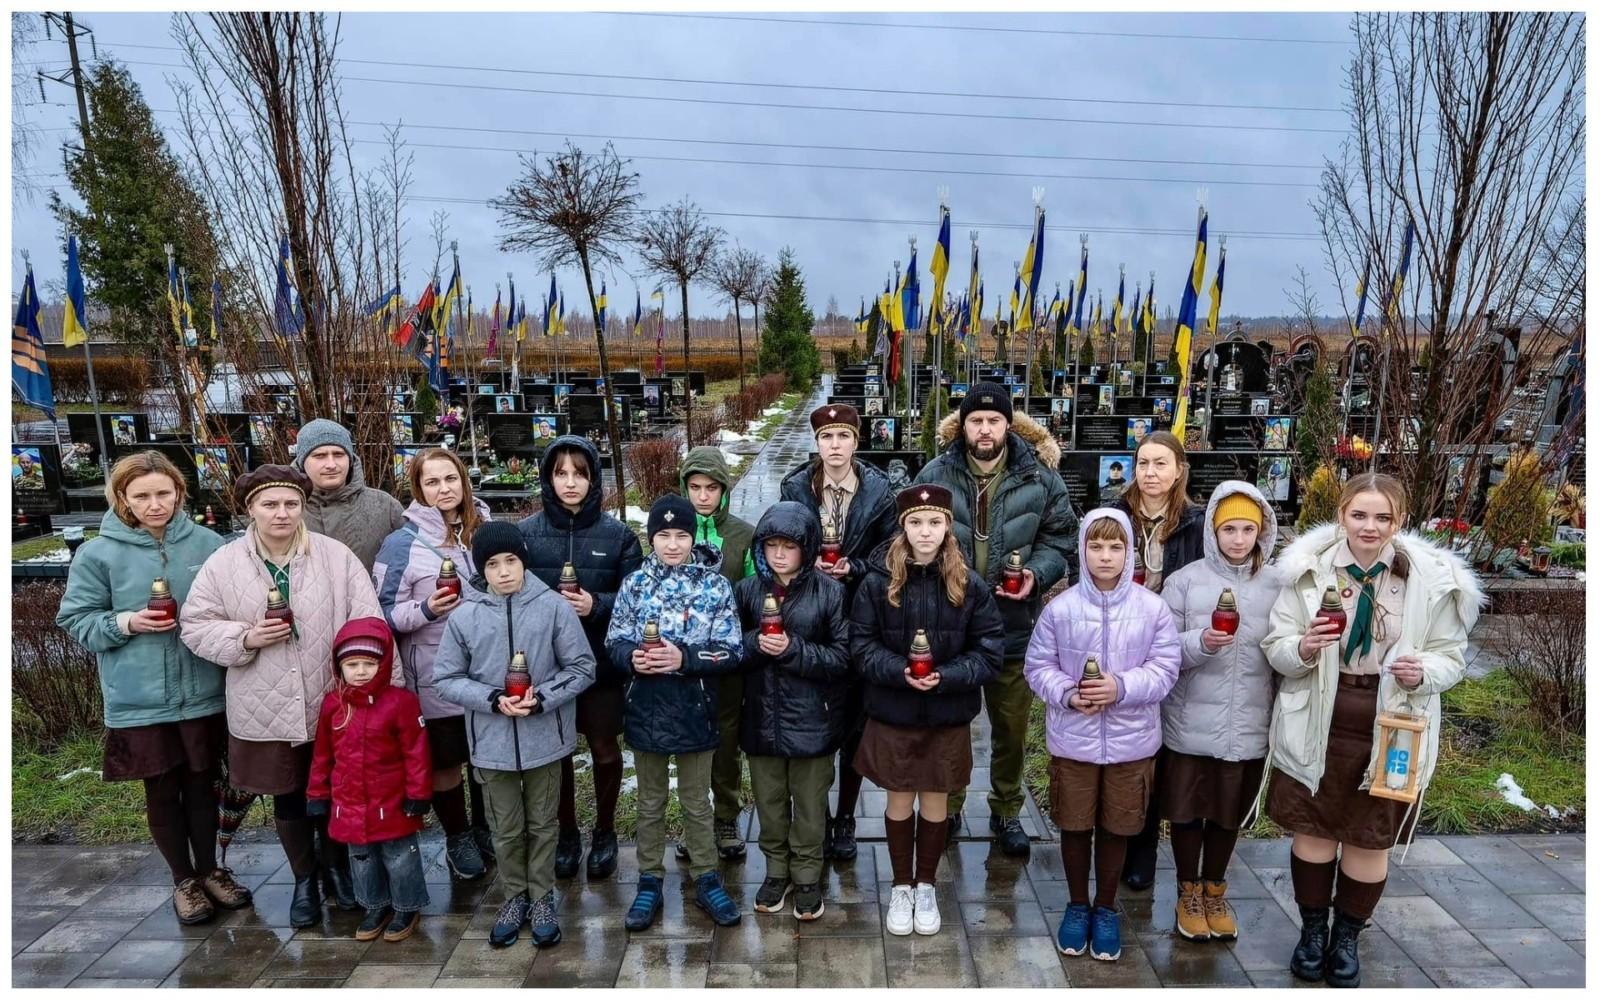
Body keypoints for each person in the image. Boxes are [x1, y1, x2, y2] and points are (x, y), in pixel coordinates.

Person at [1264, 473, 1481, 988]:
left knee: (1368, 839)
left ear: (1399, 521)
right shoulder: (1307, 571)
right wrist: (1305, 648)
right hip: (1320, 716)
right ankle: (1313, 933)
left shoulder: (1431, 578)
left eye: (1382, 517)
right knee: (1314, 834)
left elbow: (1452, 656)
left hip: (1392, 723)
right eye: (1359, 515)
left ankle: (1347, 938)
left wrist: (1423, 671)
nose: (1370, 526)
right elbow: (1276, 644)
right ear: (1341, 514)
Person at [180, 465, 386, 928]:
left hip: (332, 700)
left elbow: (367, 617)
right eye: (270, 504)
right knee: (289, 794)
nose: (282, 513)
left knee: (336, 788)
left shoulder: (335, 556)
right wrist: (246, 637)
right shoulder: (225, 563)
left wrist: (357, 671)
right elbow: (195, 625)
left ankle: (337, 870)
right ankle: (304, 879)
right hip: (264, 701)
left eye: (291, 503)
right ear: (250, 508)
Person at [56, 451, 251, 925]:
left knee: (204, 785)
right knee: (163, 789)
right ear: (122, 497)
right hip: (140, 697)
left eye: (164, 493)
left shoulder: (207, 544)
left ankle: (211, 870)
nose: (154, 504)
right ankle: (183, 879)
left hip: (203, 688)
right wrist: (127, 622)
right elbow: (75, 618)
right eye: (141, 496)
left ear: (180, 494)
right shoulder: (99, 553)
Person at [914, 381, 1079, 857]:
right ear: (962, 425)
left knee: (1010, 727)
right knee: (951, 727)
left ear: (1008, 424)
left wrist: (1037, 572)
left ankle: (1007, 808)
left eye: (993, 420)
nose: (984, 430)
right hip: (952, 628)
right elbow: (913, 535)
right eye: (975, 421)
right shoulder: (937, 472)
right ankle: (950, 807)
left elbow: (1060, 537)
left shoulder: (1039, 477)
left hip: (1013, 623)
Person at [1024, 508, 1180, 963]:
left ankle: (1106, 907)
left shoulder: (1152, 609)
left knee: (1118, 825)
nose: (1106, 557)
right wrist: (1069, 696)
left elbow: (1165, 668)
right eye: (1096, 546)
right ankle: (1077, 904)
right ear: (1082, 550)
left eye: (1116, 547)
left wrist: (1122, 687)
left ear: (1130, 551)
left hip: (1132, 742)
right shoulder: (1061, 609)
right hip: (1075, 739)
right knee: (1075, 823)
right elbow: (1039, 666)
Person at [433, 522, 596, 949]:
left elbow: (581, 667)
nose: (504, 572)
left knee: (543, 824)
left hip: (545, 737)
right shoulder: (465, 615)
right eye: (492, 563)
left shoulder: (553, 608)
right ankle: (514, 896)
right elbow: (447, 677)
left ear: (523, 560)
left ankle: (541, 897)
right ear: (480, 568)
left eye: (511, 561)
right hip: (492, 742)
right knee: (505, 827)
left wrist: (541, 697)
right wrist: (491, 698)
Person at [852, 484, 1004, 936]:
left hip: (945, 712)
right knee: (899, 798)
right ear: (903, 527)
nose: (925, 532)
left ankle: (925, 883)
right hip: (895, 709)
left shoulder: (967, 584)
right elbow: (860, 645)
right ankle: (901, 883)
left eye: (935, 522)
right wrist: (899, 670)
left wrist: (949, 675)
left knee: (936, 799)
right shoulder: (878, 582)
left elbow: (990, 648)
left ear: (948, 527)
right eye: (916, 523)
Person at [605, 495, 744, 932]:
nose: (672, 544)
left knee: (696, 802)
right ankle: (649, 878)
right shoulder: (635, 585)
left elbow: (732, 649)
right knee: (649, 802)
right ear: (651, 538)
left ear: (693, 537)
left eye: (681, 535)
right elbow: (615, 641)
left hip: (695, 707)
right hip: (646, 707)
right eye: (663, 535)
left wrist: (684, 657)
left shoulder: (714, 586)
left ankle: (706, 875)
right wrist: (632, 658)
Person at [516, 436, 643, 881]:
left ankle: (604, 830)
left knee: (605, 748)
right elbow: (509, 591)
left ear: (593, 479)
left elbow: (634, 598)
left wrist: (597, 606)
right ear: (548, 479)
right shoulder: (527, 535)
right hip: (549, 667)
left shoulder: (619, 537)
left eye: (580, 473)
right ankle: (566, 832)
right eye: (560, 473)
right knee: (560, 753)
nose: (570, 482)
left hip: (600, 663)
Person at [1157, 481, 1279, 943]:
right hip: (1192, 721)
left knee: (1228, 813)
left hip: (1248, 721)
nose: (1239, 539)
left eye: (1249, 529)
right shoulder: (1185, 582)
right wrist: (1199, 643)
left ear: (1261, 532)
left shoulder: (1276, 585)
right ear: (1213, 529)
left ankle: (1215, 891)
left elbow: (1283, 648)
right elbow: (1164, 648)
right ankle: (1188, 891)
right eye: (1229, 528)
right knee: (1189, 812)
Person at [778, 403, 898, 861]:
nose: (835, 446)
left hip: (860, 612)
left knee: (853, 723)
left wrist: (858, 566)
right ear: (816, 444)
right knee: (813, 716)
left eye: (843, 437)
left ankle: (845, 814)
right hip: (810, 613)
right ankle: (815, 814)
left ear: (856, 440)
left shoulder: (879, 490)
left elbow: (891, 547)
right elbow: (784, 538)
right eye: (827, 438)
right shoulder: (795, 486)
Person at [373, 448, 493, 882]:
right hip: (435, 673)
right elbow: (382, 613)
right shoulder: (401, 542)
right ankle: (457, 836)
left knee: (485, 757)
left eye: (450, 479)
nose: (444, 489)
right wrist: (425, 609)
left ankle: (485, 829)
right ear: (418, 489)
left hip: (488, 671)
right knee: (445, 761)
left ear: (463, 481)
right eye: (432, 482)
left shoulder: (486, 530)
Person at [734, 502, 851, 921]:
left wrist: (793, 649)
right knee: (769, 801)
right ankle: (776, 871)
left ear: (808, 548)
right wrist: (754, 645)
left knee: (808, 802)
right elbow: (731, 650)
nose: (779, 554)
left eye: (789, 546)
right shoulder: (747, 591)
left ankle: (806, 874)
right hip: (762, 717)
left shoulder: (830, 592)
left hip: (812, 720)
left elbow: (841, 657)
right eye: (771, 545)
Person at [1112, 430, 1209, 890]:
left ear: (1178, 471)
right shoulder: (1114, 514)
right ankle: (1117, 842)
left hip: (1170, 642)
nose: (1150, 473)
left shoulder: (1195, 523)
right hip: (1118, 641)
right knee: (1125, 752)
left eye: (1160, 464)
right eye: (1143, 463)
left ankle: (1144, 852)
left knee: (1157, 753)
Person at [306, 618, 432, 943]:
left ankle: (406, 905)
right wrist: (317, 793)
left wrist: (419, 792)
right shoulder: (334, 705)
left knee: (400, 856)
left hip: (392, 801)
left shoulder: (400, 703)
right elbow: (323, 753)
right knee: (361, 859)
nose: (361, 671)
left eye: (369, 663)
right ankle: (375, 905)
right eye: (352, 664)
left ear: (384, 663)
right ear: (340, 666)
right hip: (349, 803)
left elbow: (416, 752)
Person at [677, 447, 756, 861]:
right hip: (683, 659)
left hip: (727, 659)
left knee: (726, 739)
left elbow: (755, 595)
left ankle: (726, 814)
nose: (703, 496)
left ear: (724, 489)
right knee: (690, 740)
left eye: (711, 488)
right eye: (695, 488)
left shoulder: (742, 535)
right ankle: (694, 820)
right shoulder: (674, 535)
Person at [293, 418, 405, 572]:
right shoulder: (284, 510)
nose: (331, 464)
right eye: (320, 456)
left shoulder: (385, 507)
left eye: (339, 454)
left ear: (350, 459)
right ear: (301, 462)